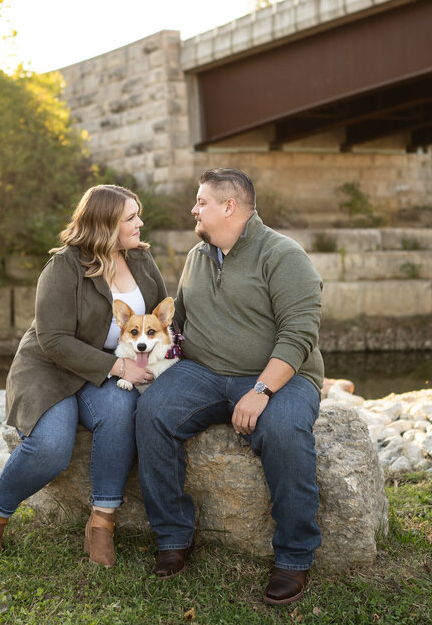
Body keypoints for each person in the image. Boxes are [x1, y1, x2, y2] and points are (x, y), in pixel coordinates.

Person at [135, 168, 324, 606]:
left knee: (282, 431)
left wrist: (260, 391)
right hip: (203, 373)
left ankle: (294, 557)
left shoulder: (283, 255)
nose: (193, 210)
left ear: (229, 207)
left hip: (279, 375)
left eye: (200, 202)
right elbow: (177, 324)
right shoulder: (198, 256)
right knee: (152, 412)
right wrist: (133, 360)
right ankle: (172, 536)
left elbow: (299, 335)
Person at [0, 184, 168, 566]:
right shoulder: (63, 266)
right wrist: (117, 366)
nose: (140, 223)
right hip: (51, 370)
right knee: (50, 447)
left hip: (108, 372)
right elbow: (52, 339)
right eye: (131, 217)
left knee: (120, 412)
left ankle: (102, 523)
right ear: (106, 224)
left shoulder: (141, 260)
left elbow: (162, 321)